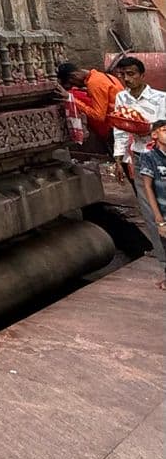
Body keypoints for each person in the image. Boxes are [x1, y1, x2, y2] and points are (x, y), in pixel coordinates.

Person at [112, 58, 166, 270]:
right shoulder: (121, 97)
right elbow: (120, 129)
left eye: (131, 74)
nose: (127, 79)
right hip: (139, 155)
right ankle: (163, 259)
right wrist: (118, 159)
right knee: (150, 210)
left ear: (142, 75)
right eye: (123, 74)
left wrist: (148, 129)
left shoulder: (160, 98)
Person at [56, 61, 149, 141]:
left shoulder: (94, 83)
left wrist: (71, 99)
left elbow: (98, 116)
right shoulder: (102, 76)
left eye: (72, 84)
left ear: (74, 76)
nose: (74, 86)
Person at [135, 119, 166, 290]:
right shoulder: (149, 157)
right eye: (164, 130)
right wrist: (159, 219)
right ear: (154, 135)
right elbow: (148, 187)